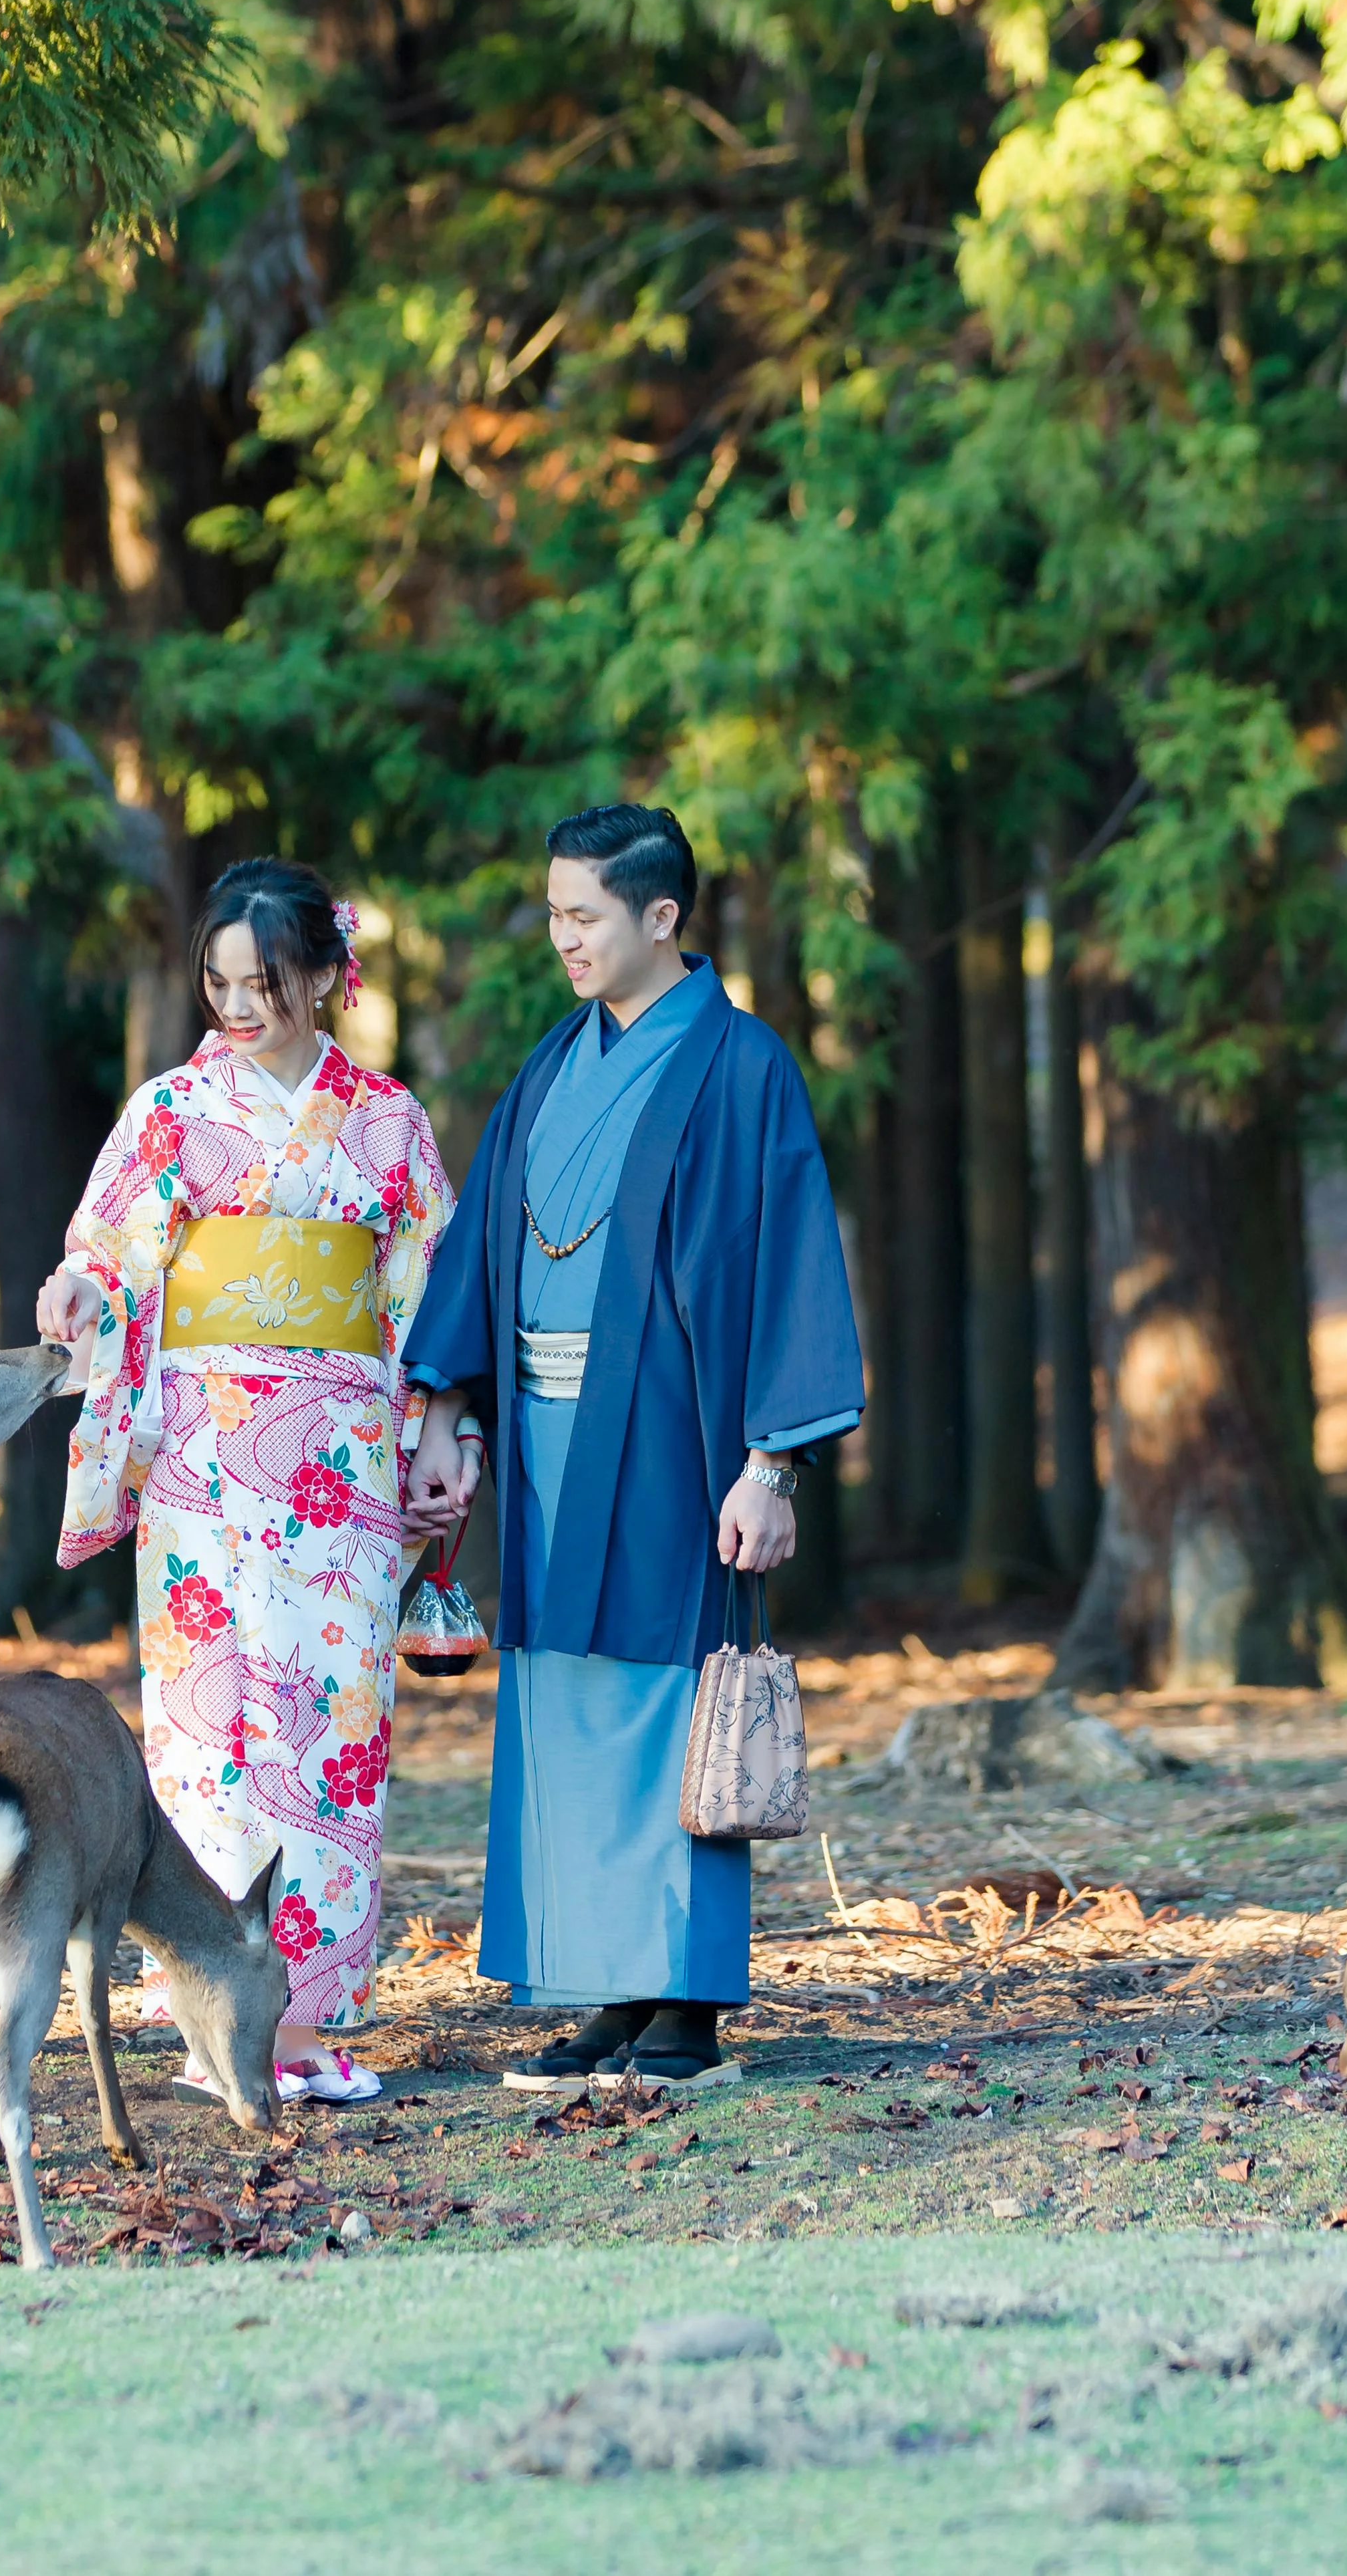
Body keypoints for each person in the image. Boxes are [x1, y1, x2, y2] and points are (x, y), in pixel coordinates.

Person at [398, 803, 867, 2087]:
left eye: (583, 915)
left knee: (672, 1700)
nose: (563, 938)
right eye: (553, 913)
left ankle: (686, 2008)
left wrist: (771, 1463)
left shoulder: (743, 1066)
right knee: (564, 1698)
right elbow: (479, 1244)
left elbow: (789, 1265)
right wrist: (446, 1404)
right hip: (550, 1440)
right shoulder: (552, 1066)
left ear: (662, 918)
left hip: (676, 1435)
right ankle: (605, 1989)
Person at [37, 860, 455, 2105]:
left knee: (333, 1730)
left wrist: (439, 1426)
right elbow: (107, 1257)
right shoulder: (168, 1112)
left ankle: (313, 2022)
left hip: (341, 1463)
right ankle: (217, 2011)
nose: (237, 1005)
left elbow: (423, 1301)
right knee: (208, 1736)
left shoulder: (388, 1121)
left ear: (328, 976)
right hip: (206, 1467)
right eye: (218, 983)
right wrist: (79, 1295)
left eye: (262, 983)